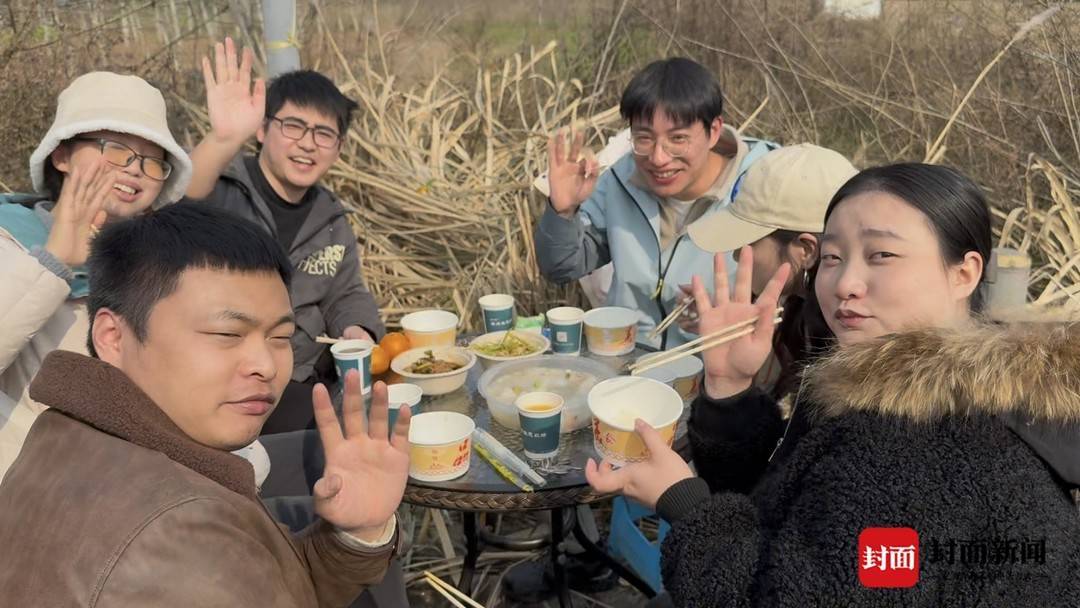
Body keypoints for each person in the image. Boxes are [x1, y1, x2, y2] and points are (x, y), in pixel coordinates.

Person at [586, 163, 1080, 605]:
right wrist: (730, 389)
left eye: (882, 254)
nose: (844, 283)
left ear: (964, 273)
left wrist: (682, 500)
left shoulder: (919, 443)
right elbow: (790, 508)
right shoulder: (885, 381)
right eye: (833, 257)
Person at [0, 204, 409, 605]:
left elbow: (272, 587)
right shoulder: (179, 534)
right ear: (113, 337)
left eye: (281, 338)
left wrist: (357, 535)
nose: (266, 366)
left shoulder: (65, 432)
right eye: (228, 334)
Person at [185, 38, 384, 433]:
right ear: (262, 129)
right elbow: (175, 203)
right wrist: (222, 140)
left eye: (324, 134)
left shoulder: (331, 218)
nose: (307, 144)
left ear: (338, 148)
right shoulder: (222, 191)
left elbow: (344, 292)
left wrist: (357, 330)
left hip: (302, 374)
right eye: (294, 126)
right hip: (227, 376)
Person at [0, 71, 193, 477]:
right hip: (31, 485)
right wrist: (54, 261)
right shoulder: (10, 237)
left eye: (152, 160)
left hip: (132, 482)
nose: (135, 169)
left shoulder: (161, 267)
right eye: (116, 148)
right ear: (61, 156)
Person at [534, 57, 776, 349]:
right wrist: (562, 211)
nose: (659, 158)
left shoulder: (761, 187)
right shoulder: (619, 181)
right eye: (644, 138)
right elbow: (561, 268)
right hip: (626, 357)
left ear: (713, 131)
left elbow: (791, 295)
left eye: (678, 138)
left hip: (716, 363)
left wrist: (729, 317)